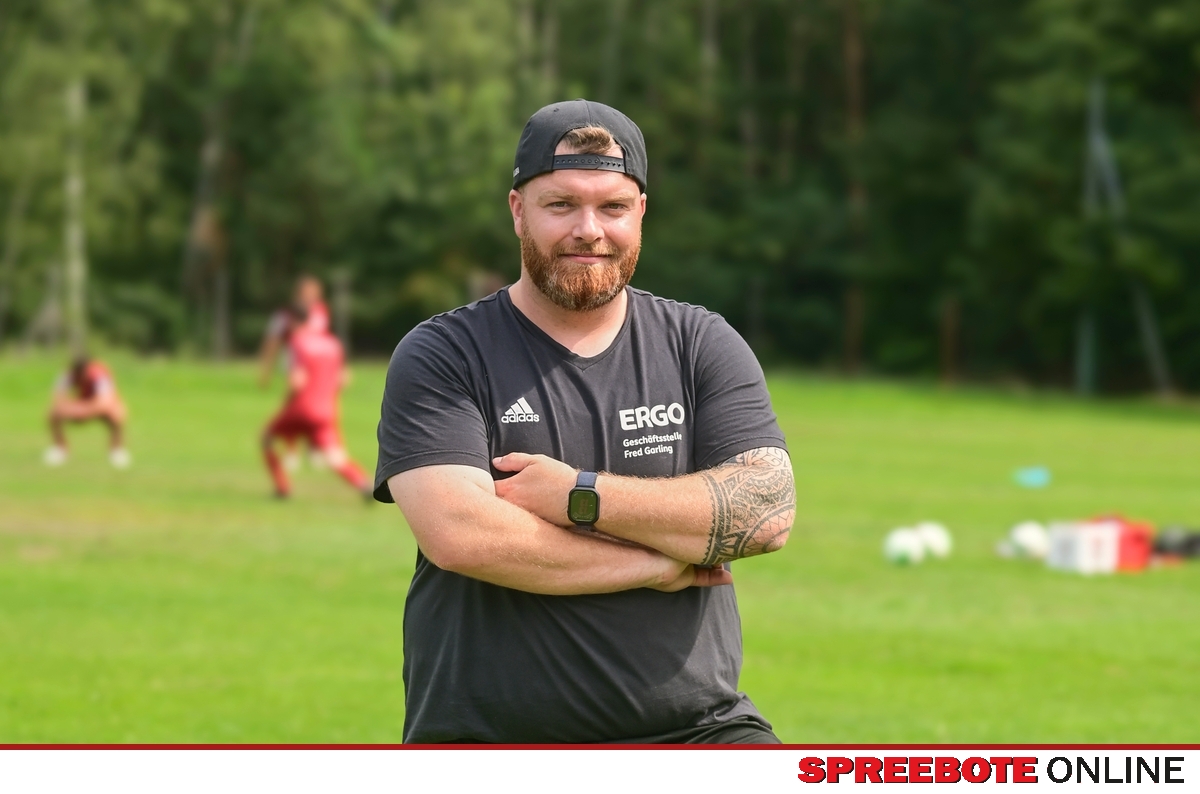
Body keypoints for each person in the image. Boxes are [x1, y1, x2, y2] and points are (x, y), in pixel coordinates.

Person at [374, 99, 796, 744]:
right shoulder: (444, 353)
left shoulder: (699, 342)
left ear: (641, 212)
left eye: (613, 207)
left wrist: (582, 496)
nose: (589, 230)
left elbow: (765, 510)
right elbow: (461, 535)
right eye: (562, 205)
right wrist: (657, 563)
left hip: (698, 732)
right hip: (492, 742)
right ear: (518, 210)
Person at [261, 306, 371, 499]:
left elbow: (297, 381)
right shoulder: (332, 343)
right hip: (326, 410)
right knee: (334, 456)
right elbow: (344, 379)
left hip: (301, 407)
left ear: (292, 321)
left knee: (267, 439)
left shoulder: (297, 342)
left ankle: (282, 488)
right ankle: (363, 484)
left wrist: (286, 404)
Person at [44, 355, 130, 468]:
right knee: (54, 413)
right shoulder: (68, 374)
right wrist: (72, 408)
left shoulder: (99, 374)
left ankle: (116, 450)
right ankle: (60, 449)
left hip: (99, 406)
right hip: (82, 403)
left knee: (117, 414)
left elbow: (105, 402)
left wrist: (83, 410)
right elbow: (57, 398)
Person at [258, 275, 330, 389]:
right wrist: (266, 370)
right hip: (295, 360)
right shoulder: (284, 314)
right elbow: (272, 342)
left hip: (319, 360)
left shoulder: (321, 311)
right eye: (308, 292)